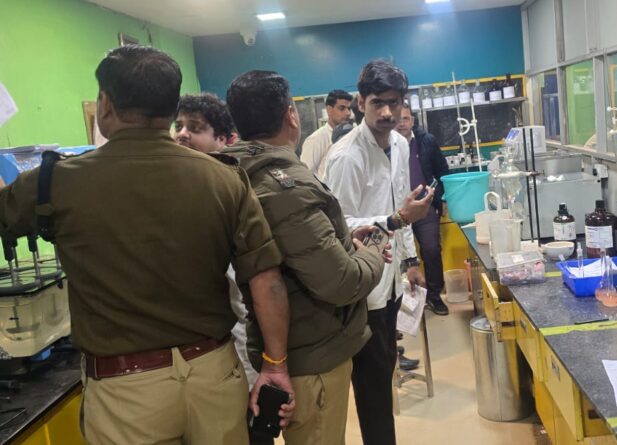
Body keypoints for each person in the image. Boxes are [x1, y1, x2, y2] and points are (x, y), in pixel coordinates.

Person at [0, 45, 294, 444]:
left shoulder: (56, 182)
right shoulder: (224, 178)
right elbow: (266, 280)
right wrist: (275, 365)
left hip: (126, 390)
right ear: (172, 110)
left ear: (106, 104)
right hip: (214, 375)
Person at [223, 70, 388, 445]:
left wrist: (343, 239)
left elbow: (299, 247)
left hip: (275, 349)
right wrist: (373, 252)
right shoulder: (284, 186)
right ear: (291, 115)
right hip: (310, 356)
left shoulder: (234, 173)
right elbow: (341, 281)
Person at [324, 59, 434, 445]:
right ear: (360, 103)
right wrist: (395, 219)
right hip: (362, 288)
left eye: (394, 102)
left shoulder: (401, 145)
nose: (387, 112)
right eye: (377, 103)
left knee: (385, 370)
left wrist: (411, 260)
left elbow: (402, 202)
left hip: (392, 282)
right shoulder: (346, 157)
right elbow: (338, 226)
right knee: (371, 387)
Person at [173, 92, 258, 386]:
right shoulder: (175, 186)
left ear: (224, 139)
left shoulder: (235, 190)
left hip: (238, 341)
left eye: (195, 128)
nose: (182, 134)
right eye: (179, 126)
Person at [395, 103, 450, 315]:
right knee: (398, 256)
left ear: (413, 120)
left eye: (406, 118)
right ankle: (404, 302)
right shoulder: (387, 144)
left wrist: (440, 198)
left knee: (431, 249)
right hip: (398, 211)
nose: (401, 123)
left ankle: (435, 296)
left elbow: (442, 171)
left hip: (424, 208)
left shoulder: (426, 141)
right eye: (398, 119)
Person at [300, 89, 352, 175]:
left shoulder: (352, 136)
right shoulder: (315, 139)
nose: (348, 113)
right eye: (342, 108)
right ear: (329, 110)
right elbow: (305, 175)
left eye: (349, 108)